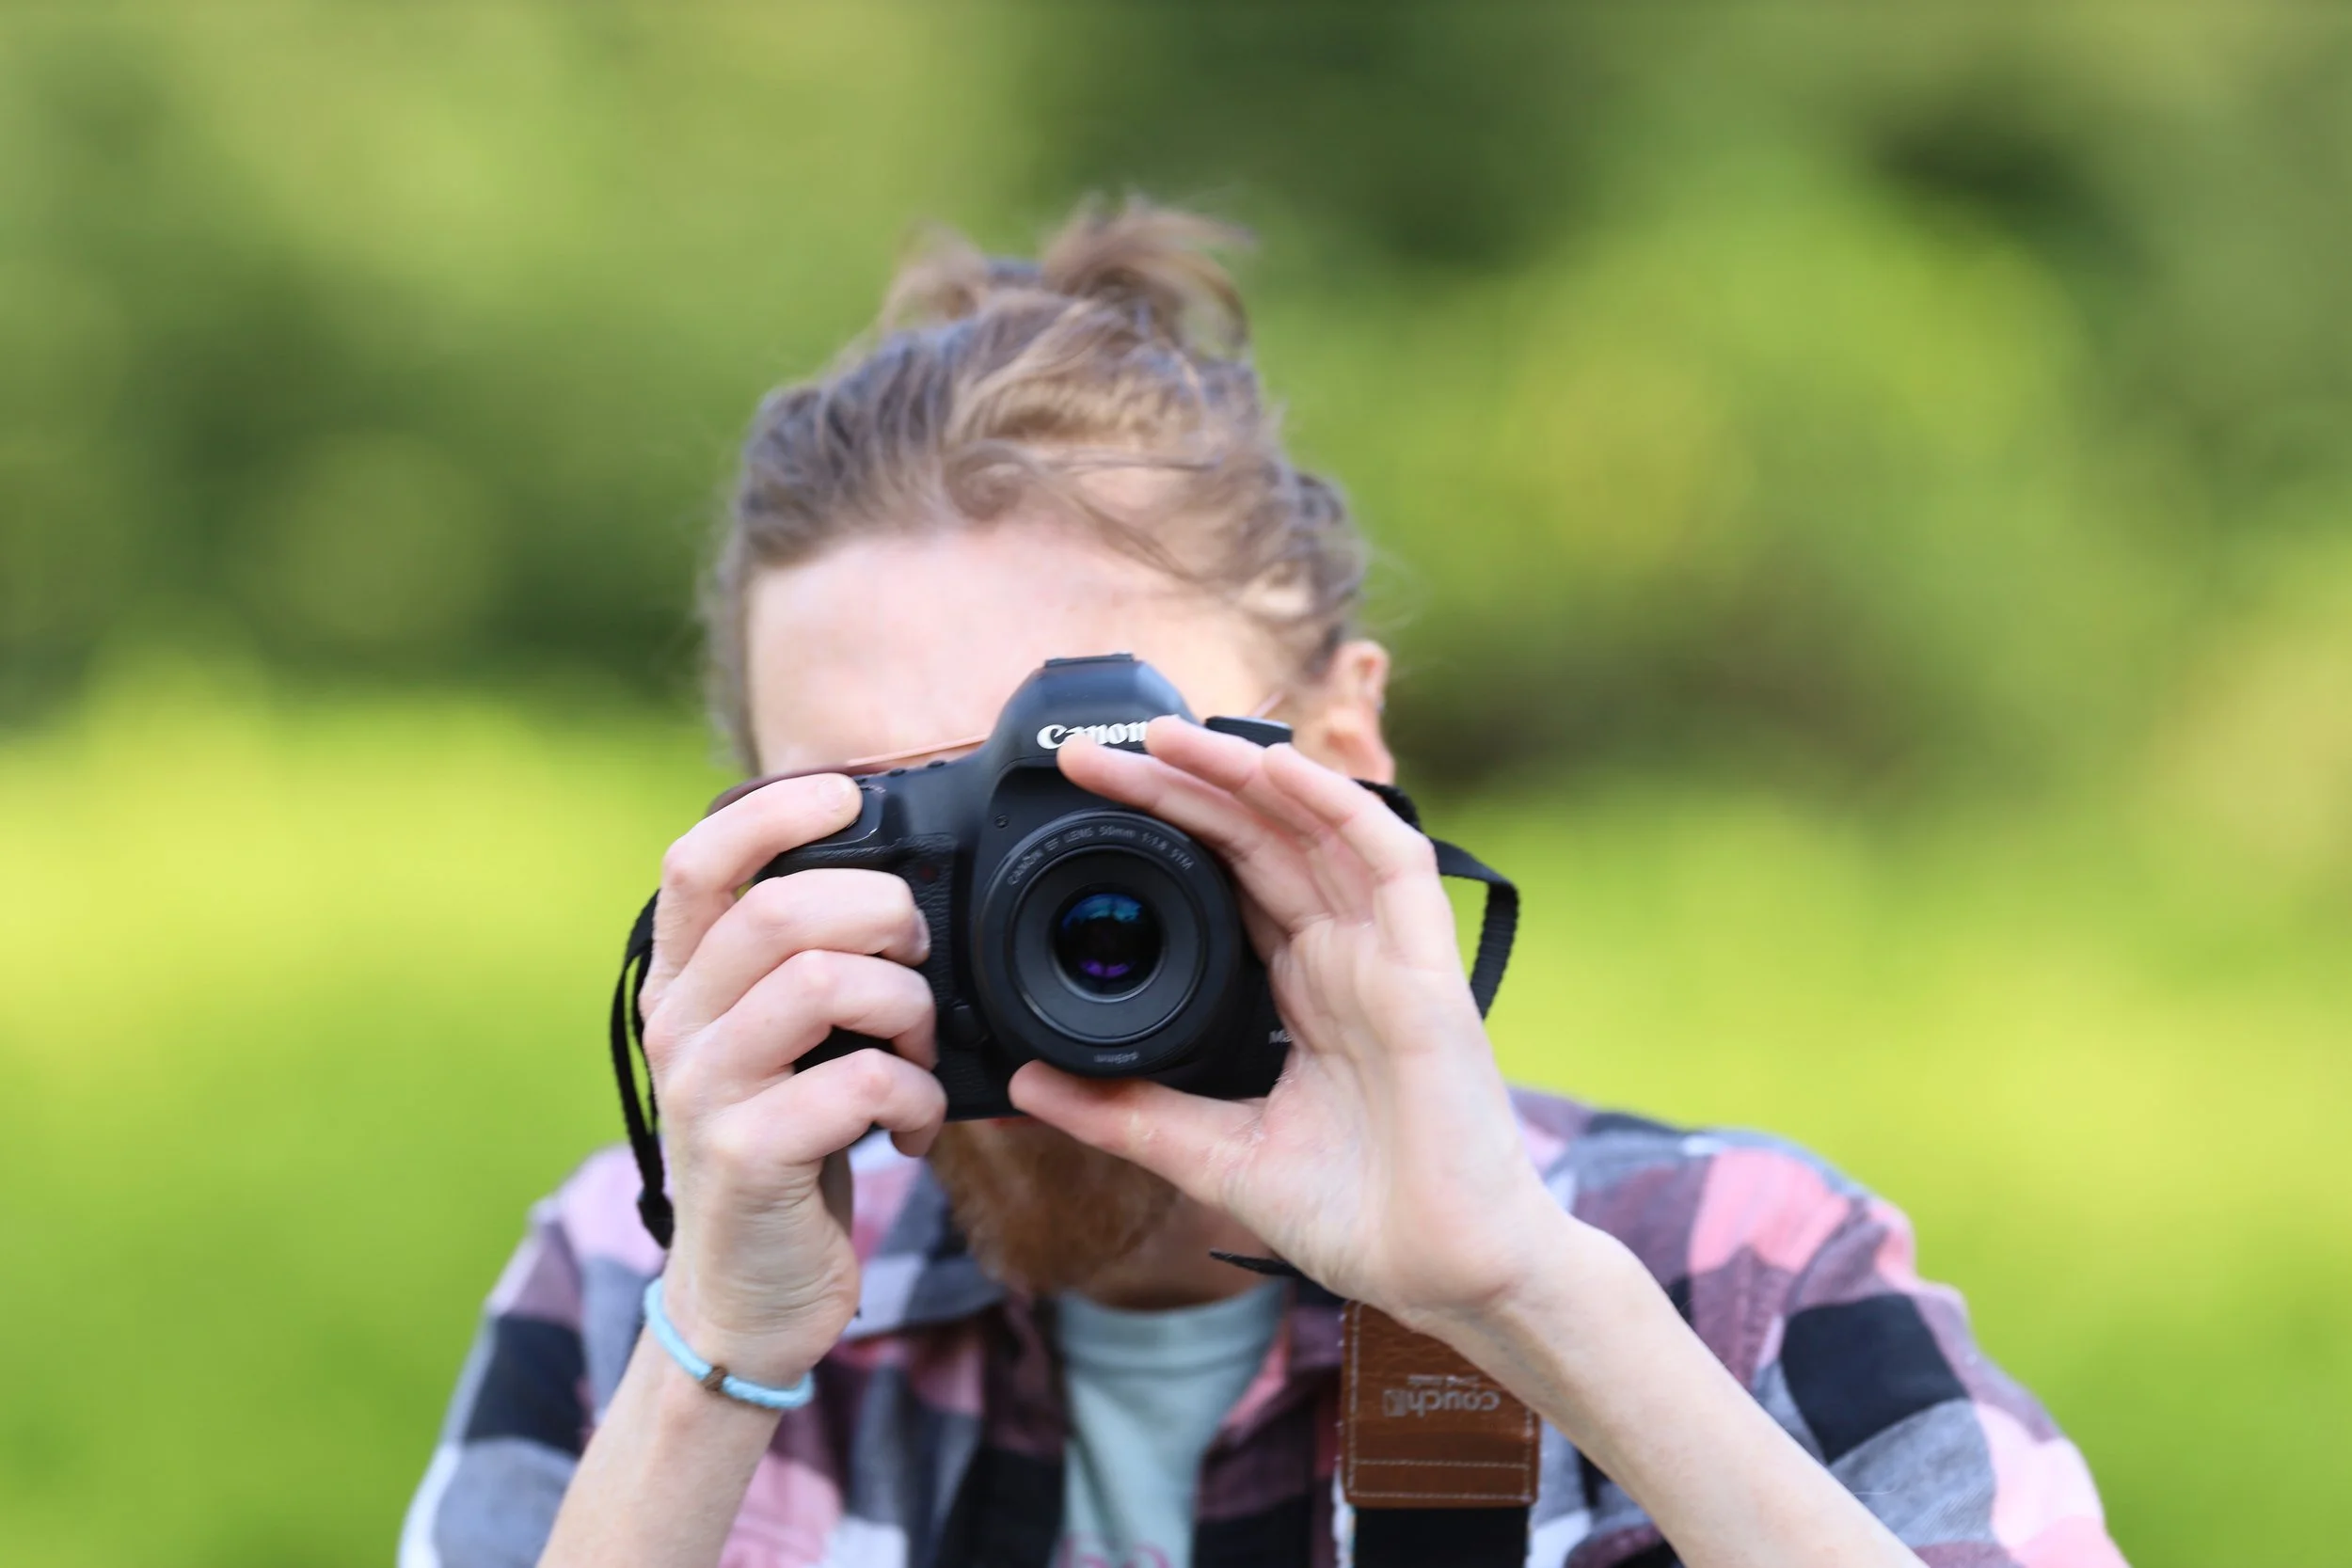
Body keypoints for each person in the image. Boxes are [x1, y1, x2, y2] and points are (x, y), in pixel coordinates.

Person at [401, 200, 2125, 1568]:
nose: (1033, 900)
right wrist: (716, 1362)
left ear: (1343, 744)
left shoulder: (1731, 1276)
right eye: (904, 815)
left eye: (1106, 789)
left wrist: (1522, 1299)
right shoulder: (638, 1286)